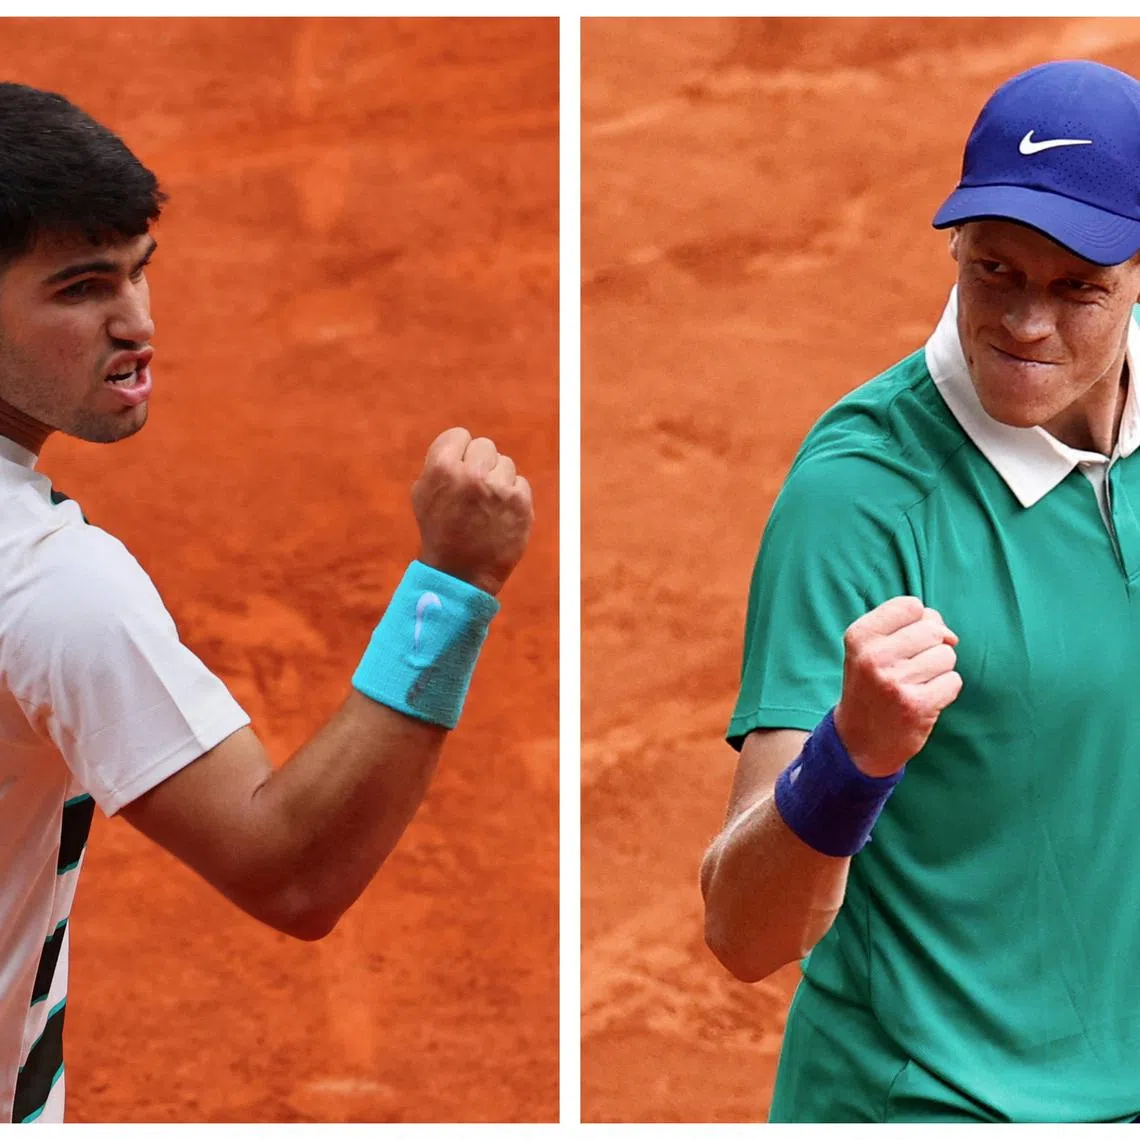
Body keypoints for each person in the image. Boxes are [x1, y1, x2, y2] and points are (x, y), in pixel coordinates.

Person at [0, 82, 533, 1124]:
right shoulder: (54, 585)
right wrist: (454, 586)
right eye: (78, 290)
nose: (138, 324)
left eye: (140, 274)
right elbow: (293, 868)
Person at [700, 59, 1140, 1123]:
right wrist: (849, 759)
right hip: (930, 1103)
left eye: (1077, 287)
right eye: (994, 271)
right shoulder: (861, 496)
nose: (1026, 325)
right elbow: (743, 933)